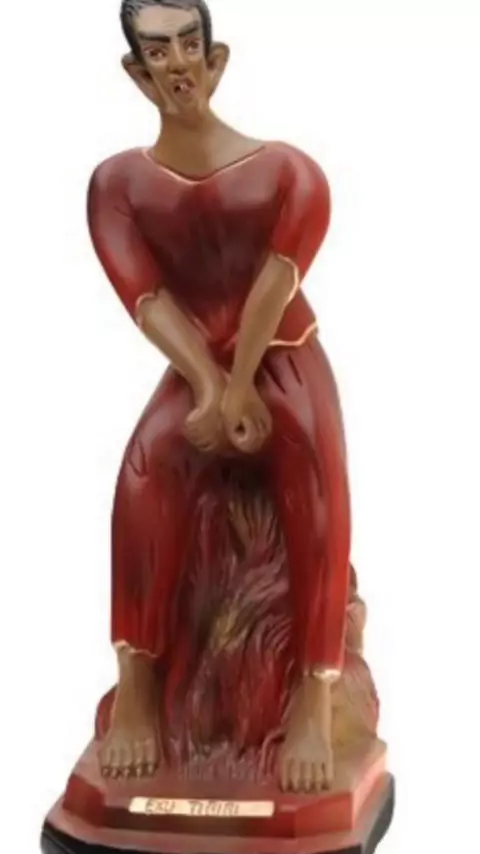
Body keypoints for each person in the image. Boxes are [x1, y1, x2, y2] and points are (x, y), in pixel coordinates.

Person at [88, 0, 351, 794]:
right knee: (143, 473)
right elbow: (143, 294)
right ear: (137, 72)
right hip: (195, 369)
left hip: (284, 358)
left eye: (189, 44)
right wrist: (206, 384)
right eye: (158, 51)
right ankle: (137, 687)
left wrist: (241, 387)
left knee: (316, 479)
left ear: (216, 58)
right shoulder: (117, 184)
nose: (177, 64)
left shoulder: (291, 172)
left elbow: (277, 281)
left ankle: (315, 694)